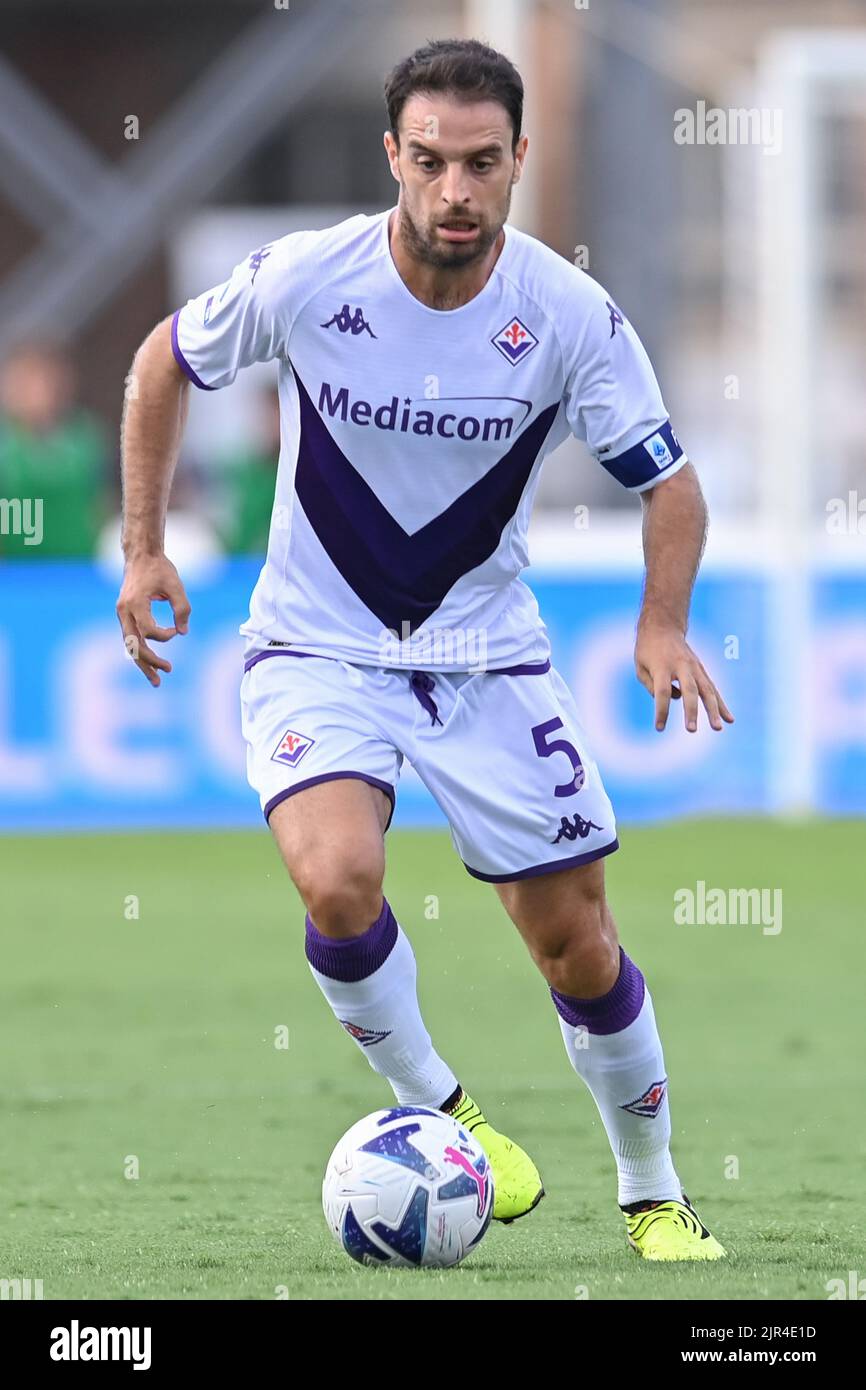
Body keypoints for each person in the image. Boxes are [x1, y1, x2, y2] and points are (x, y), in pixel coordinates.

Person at [117, 38, 734, 1260]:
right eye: (431, 161)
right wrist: (142, 548)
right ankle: (442, 1112)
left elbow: (669, 484)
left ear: (517, 161)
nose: (455, 189)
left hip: (485, 658)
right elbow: (158, 363)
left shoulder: (566, 315)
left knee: (574, 942)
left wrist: (659, 624)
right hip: (314, 643)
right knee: (335, 878)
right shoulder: (308, 278)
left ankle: (652, 1191)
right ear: (392, 155)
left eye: (482, 163)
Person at [0, 341, 107, 557]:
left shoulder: (85, 438)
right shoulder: (6, 444)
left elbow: (100, 502)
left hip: (77, 567)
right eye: (24, 383)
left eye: (43, 382)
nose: (35, 393)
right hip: (13, 572)